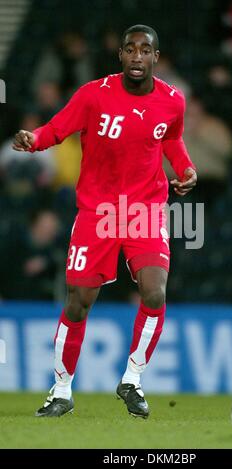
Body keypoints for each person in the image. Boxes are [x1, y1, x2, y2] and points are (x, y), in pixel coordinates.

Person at [13, 24, 197, 419]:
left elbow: (171, 139)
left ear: (155, 58)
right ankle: (61, 389)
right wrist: (35, 139)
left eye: (144, 50)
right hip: (97, 212)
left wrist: (184, 169)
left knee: (155, 292)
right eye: (130, 49)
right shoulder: (93, 94)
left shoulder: (172, 101)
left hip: (144, 210)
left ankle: (132, 379)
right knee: (78, 302)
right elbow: (58, 128)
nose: (137, 56)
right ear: (121, 56)